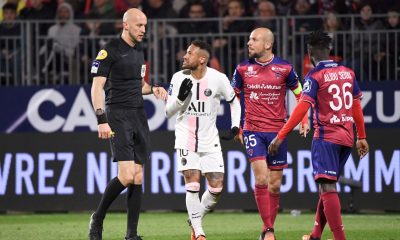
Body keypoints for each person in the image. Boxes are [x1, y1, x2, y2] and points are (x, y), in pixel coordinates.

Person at [268, 30, 369, 240]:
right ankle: (315, 235)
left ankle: (340, 238)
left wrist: (281, 135)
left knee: (327, 186)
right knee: (327, 186)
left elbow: (302, 107)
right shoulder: (347, 72)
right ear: (329, 50)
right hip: (347, 138)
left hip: (326, 137)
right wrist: (361, 136)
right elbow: (357, 105)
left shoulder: (314, 75)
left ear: (310, 53)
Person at [88, 8, 167, 240]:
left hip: (138, 116)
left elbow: (139, 85)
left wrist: (153, 89)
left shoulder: (138, 52)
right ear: (126, 25)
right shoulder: (109, 50)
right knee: (126, 175)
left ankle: (131, 235)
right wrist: (101, 120)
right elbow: (96, 88)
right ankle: (98, 217)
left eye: (145, 26)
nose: (143, 30)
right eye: (139, 25)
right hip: (117, 115)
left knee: (139, 176)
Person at [231, 27, 309, 240]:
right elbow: (233, 99)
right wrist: (237, 125)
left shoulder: (285, 68)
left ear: (267, 44)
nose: (249, 43)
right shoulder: (242, 69)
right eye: (249, 39)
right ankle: (269, 231)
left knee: (274, 185)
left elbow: (301, 94)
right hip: (252, 129)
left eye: (254, 39)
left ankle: (267, 227)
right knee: (262, 178)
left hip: (278, 131)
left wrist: (304, 119)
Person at [165, 40, 241, 240]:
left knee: (216, 187)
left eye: (189, 53)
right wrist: (180, 99)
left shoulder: (218, 78)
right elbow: (167, 112)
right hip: (185, 138)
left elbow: (234, 102)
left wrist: (235, 126)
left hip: (210, 140)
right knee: (192, 183)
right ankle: (199, 233)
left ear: (202, 59)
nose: (184, 56)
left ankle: (195, 217)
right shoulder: (178, 77)